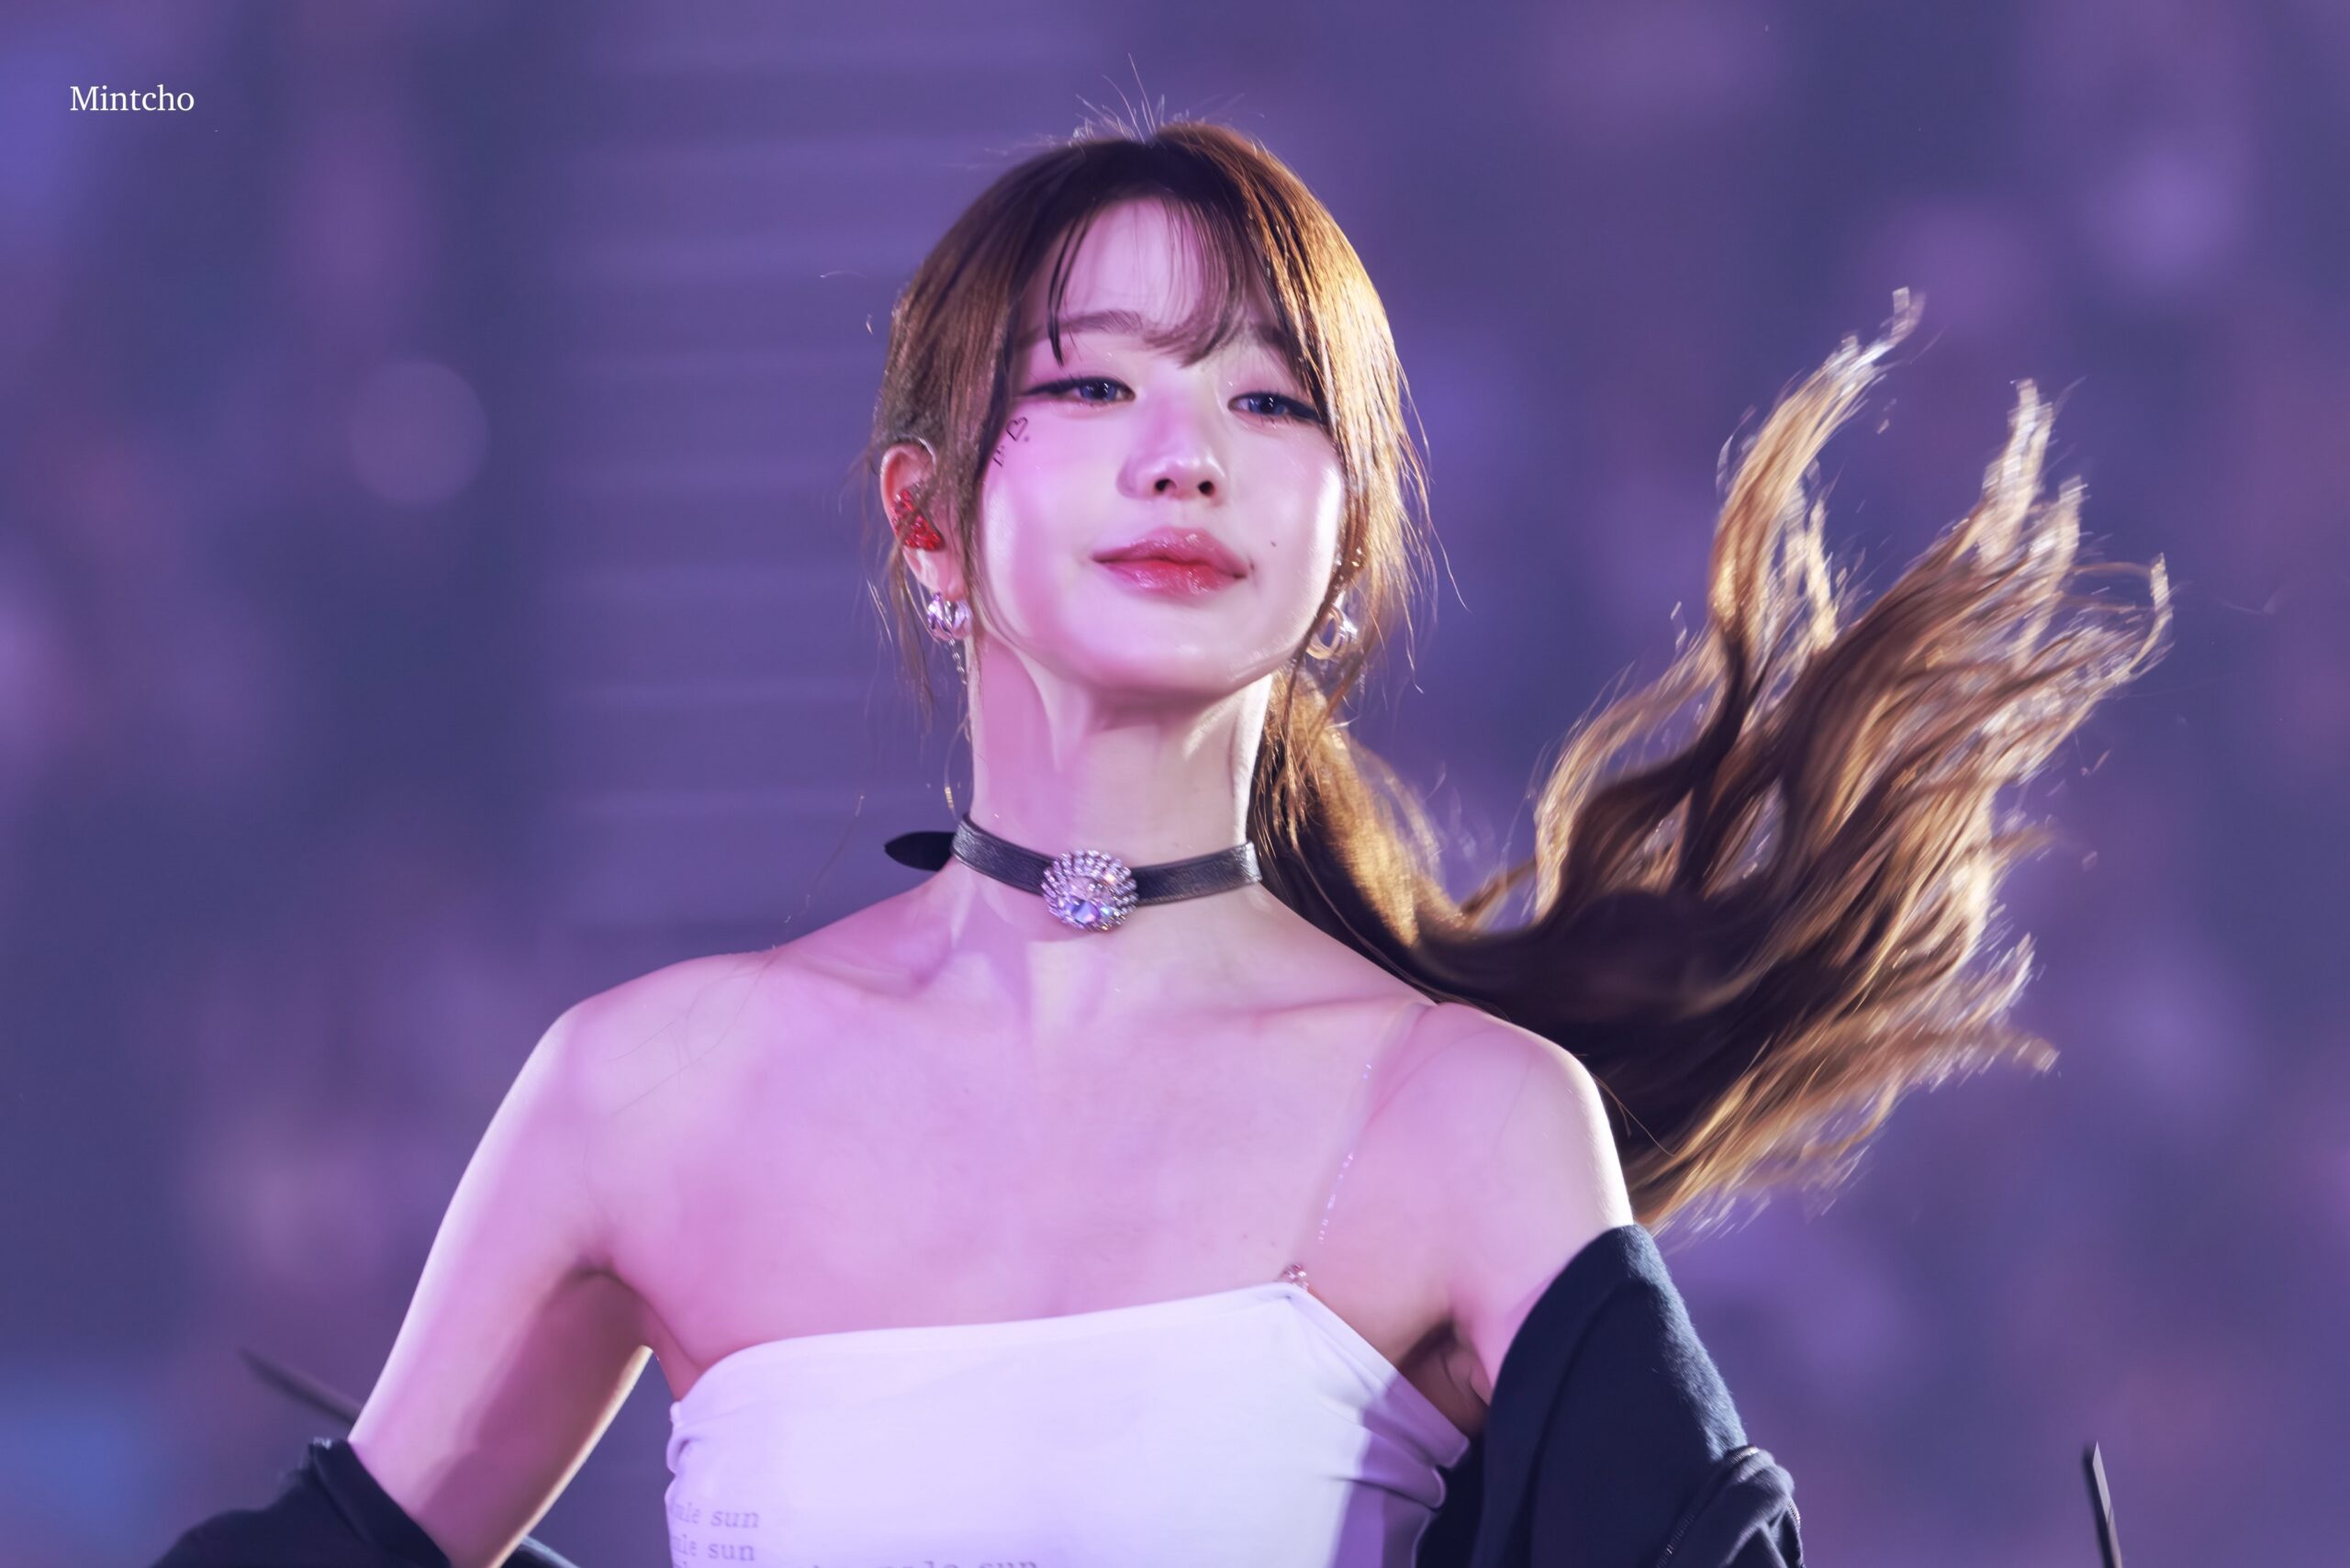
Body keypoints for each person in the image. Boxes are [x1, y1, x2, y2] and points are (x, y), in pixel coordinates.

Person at [147, 114, 2170, 1568]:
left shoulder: (1466, 1120)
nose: (1182, 450)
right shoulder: (644, 1091)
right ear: (929, 519)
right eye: (1093, 382)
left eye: (1267, 400)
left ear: (1345, 549)